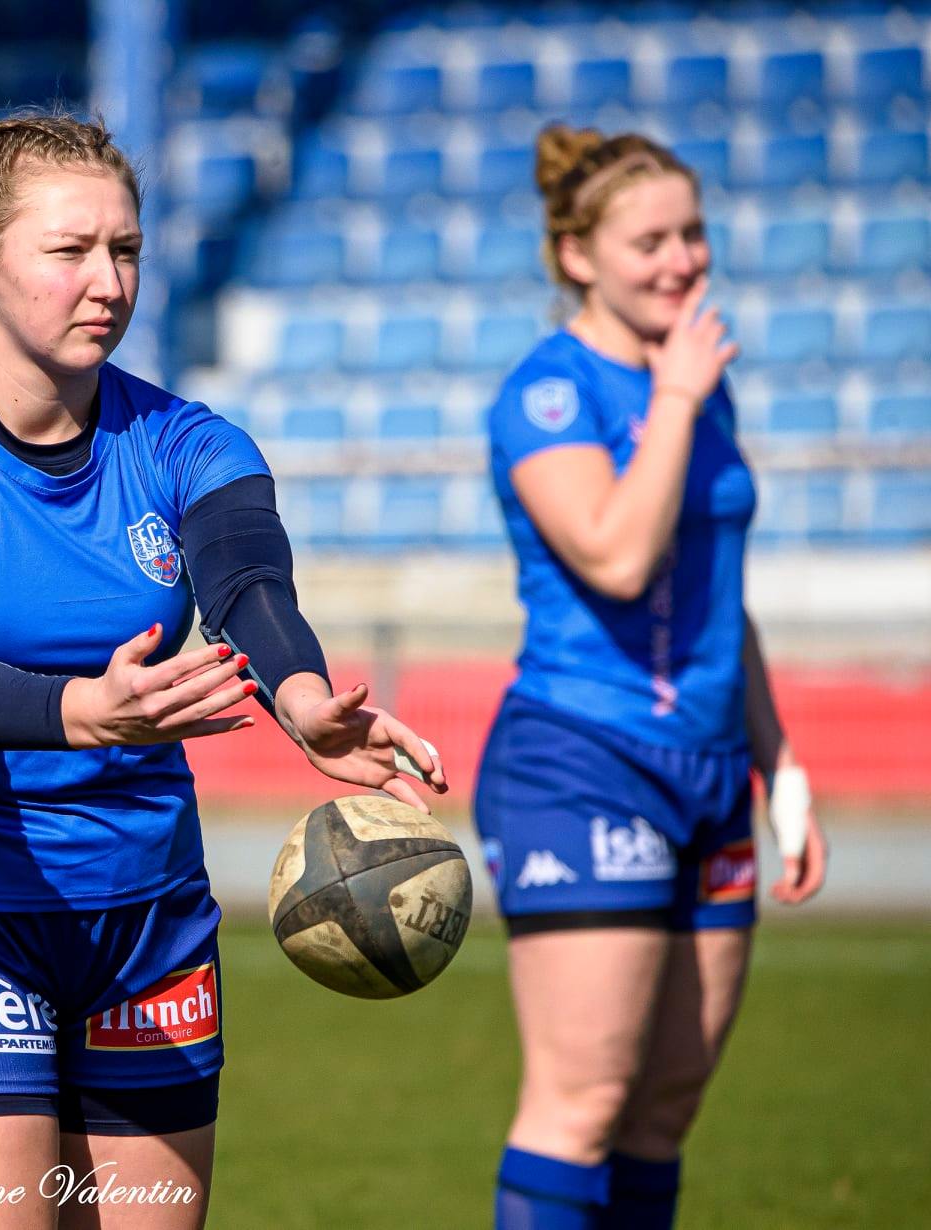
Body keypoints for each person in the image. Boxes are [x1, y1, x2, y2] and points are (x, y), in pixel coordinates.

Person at [0, 111, 447, 1229]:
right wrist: (82, 713)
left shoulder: (192, 443)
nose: (107, 282)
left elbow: (249, 585)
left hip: (147, 918)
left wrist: (305, 701)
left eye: (126, 250)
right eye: (69, 250)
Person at [475, 124, 830, 1230]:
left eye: (694, 234)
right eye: (651, 242)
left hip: (714, 773)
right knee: (581, 1105)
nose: (684, 261)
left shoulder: (700, 385)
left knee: (664, 1110)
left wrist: (781, 766)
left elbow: (721, 595)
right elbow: (619, 559)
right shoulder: (549, 393)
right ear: (577, 256)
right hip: (584, 763)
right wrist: (672, 399)